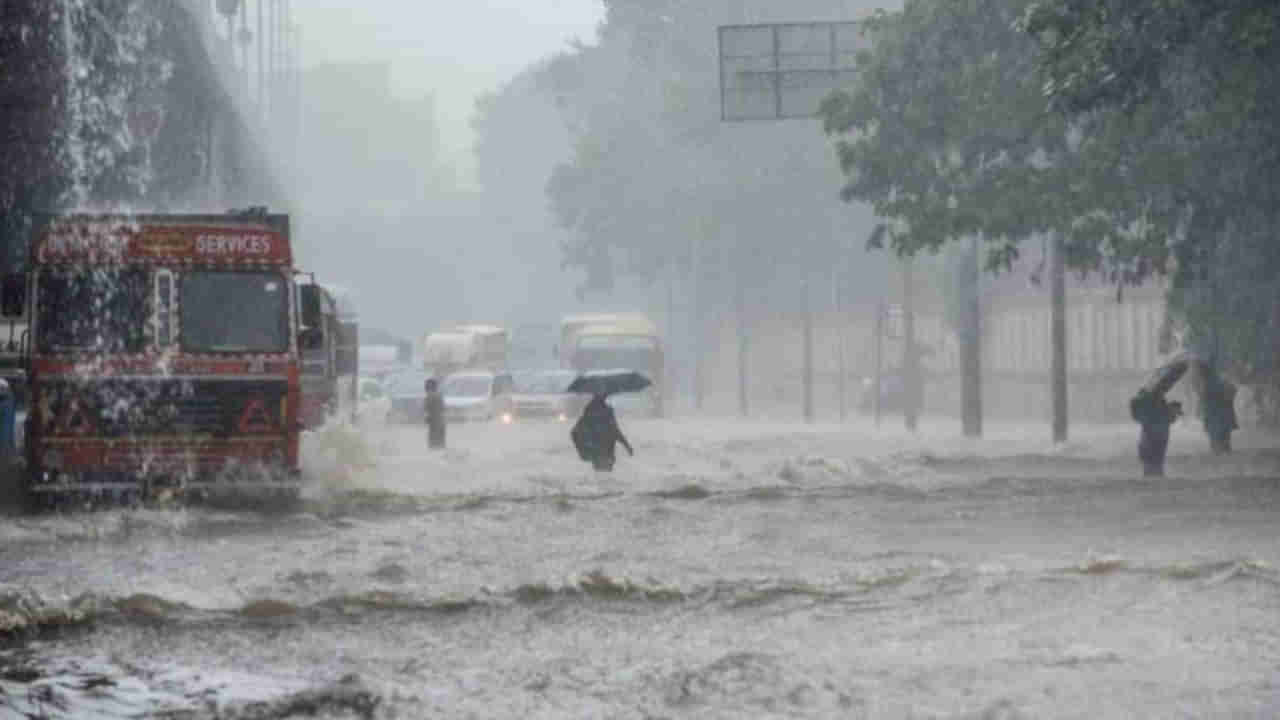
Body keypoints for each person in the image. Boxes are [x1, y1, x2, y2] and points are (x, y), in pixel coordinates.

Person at [571, 393, 633, 471]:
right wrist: (627, 446)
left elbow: (575, 432)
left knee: (600, 476)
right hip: (607, 451)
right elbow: (615, 430)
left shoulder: (589, 411)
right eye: (605, 395)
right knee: (606, 477)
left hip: (596, 452)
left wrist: (584, 450)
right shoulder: (607, 411)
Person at [1130, 387, 1182, 477]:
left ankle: (1152, 473)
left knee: (1151, 463)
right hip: (1154, 438)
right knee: (1153, 463)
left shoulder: (1152, 410)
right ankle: (1154, 473)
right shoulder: (1158, 410)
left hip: (1152, 439)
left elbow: (1137, 414)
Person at [1199, 365, 1238, 454]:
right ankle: (1221, 449)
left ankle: (1220, 449)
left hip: (1217, 414)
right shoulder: (1215, 383)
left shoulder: (1209, 384)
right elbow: (1232, 392)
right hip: (1219, 414)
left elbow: (1232, 393)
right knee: (1221, 434)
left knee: (1219, 434)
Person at [424, 377, 445, 449]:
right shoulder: (439, 395)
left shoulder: (430, 396)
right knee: (440, 445)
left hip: (434, 423)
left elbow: (427, 409)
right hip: (441, 422)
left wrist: (427, 418)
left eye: (426, 385)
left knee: (433, 446)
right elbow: (443, 408)